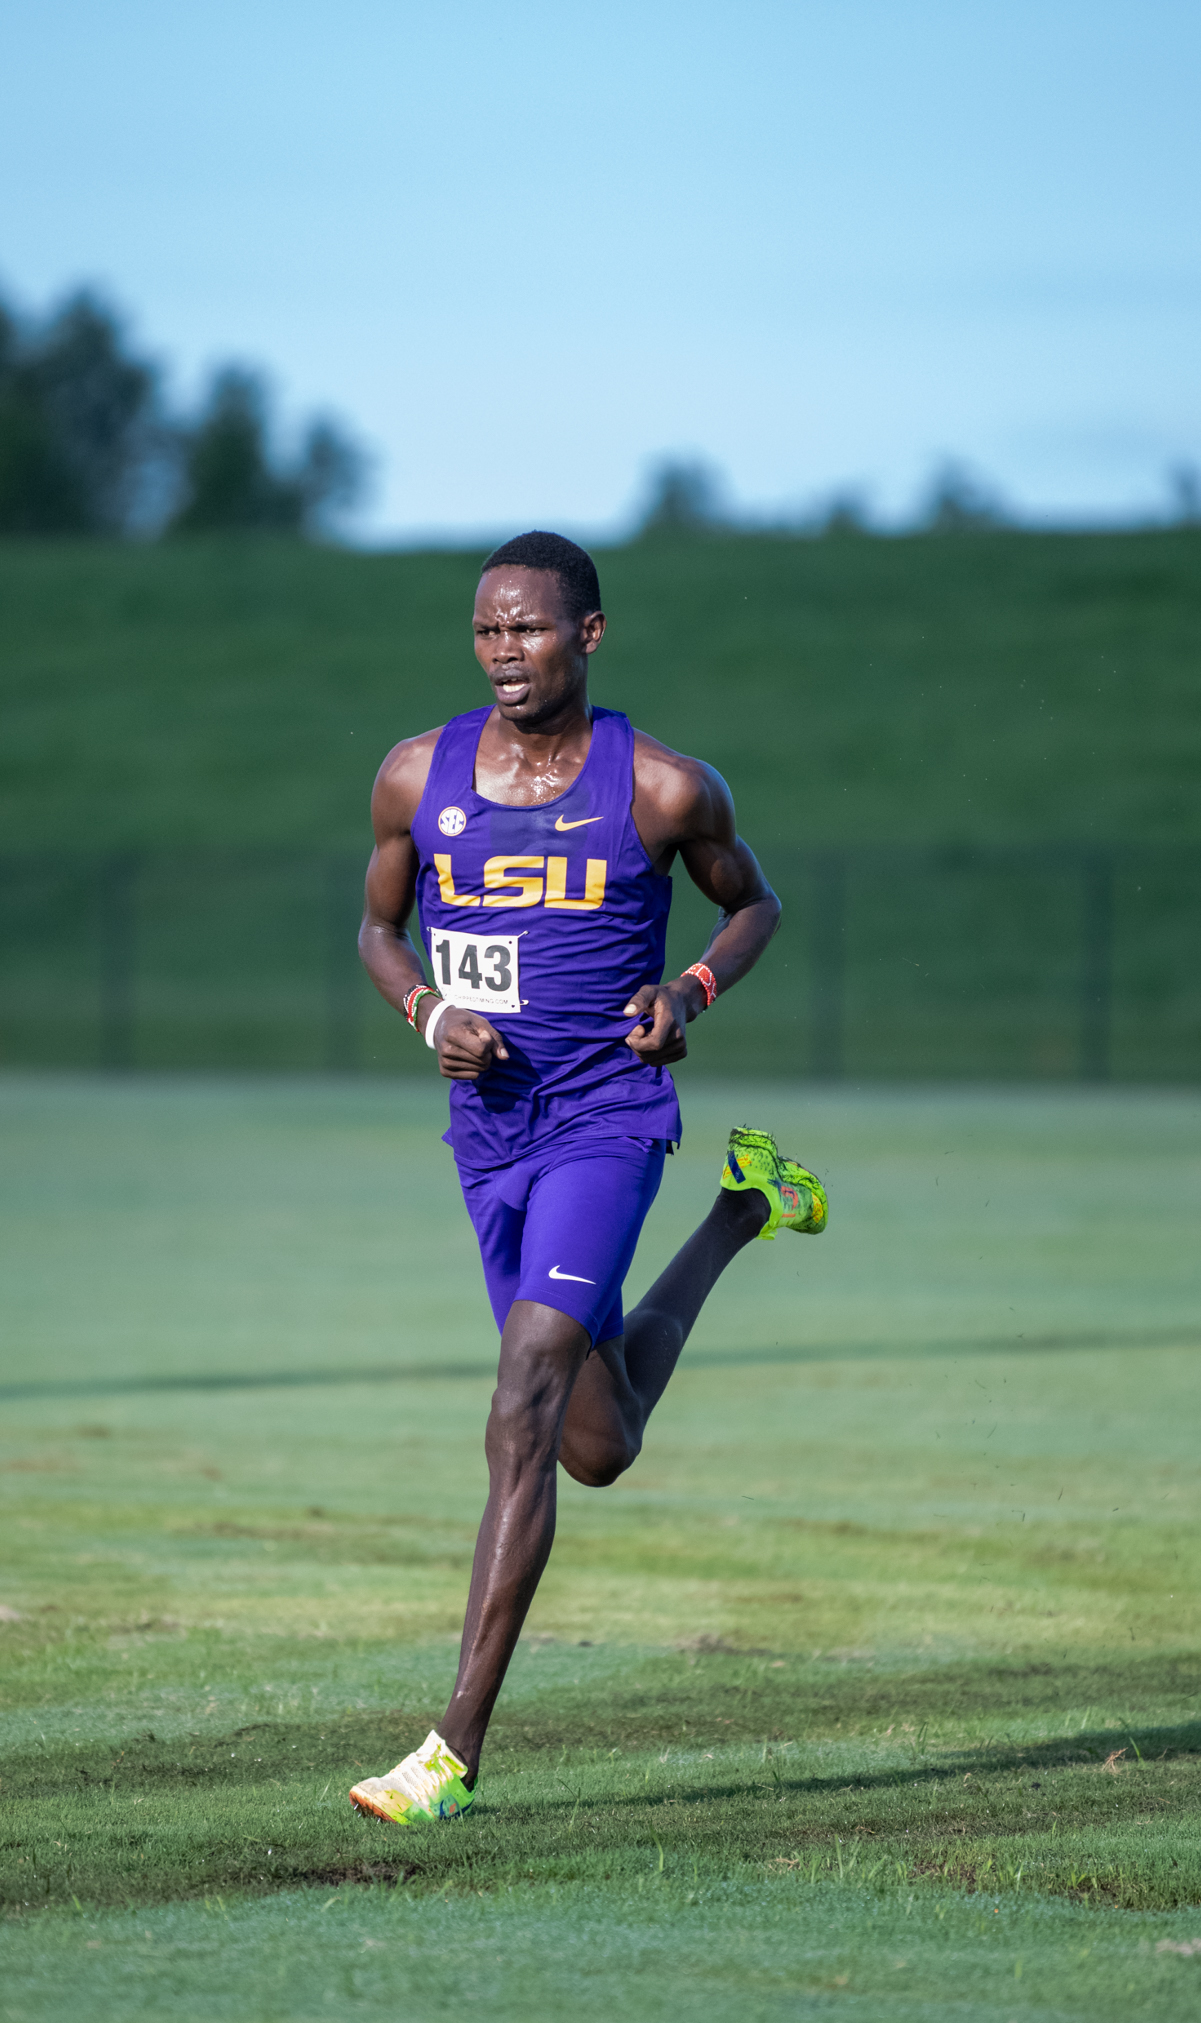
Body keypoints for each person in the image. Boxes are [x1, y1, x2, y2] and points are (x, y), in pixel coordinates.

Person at [350, 531, 826, 1823]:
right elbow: (379, 931)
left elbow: (755, 903)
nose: (507, 652)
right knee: (595, 1444)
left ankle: (447, 1753)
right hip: (489, 1132)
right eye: (488, 631)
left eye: (531, 630)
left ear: (591, 636)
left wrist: (690, 988)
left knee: (522, 1398)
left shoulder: (665, 789)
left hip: (607, 1120)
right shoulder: (417, 777)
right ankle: (745, 1211)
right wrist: (425, 1015)